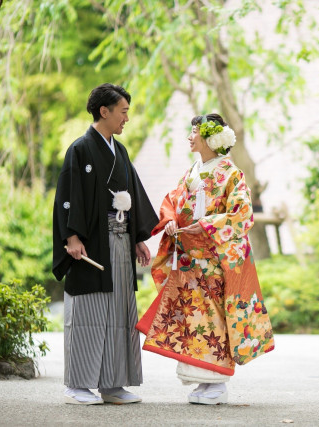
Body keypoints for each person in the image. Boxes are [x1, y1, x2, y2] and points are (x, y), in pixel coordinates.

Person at [136, 113, 275, 405]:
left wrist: (210, 224)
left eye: (195, 132)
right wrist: (171, 220)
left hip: (213, 258)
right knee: (193, 319)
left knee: (213, 320)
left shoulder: (230, 173)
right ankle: (204, 380)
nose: (190, 137)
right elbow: (172, 201)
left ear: (210, 138)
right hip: (189, 258)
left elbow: (242, 212)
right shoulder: (192, 171)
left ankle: (218, 382)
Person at [52, 83, 159, 405]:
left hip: (120, 241)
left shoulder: (120, 151)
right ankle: (77, 385)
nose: (127, 118)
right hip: (92, 243)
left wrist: (138, 238)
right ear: (105, 111)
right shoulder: (81, 148)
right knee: (88, 312)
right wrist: (71, 237)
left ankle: (113, 384)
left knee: (119, 312)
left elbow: (134, 194)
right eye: (123, 111)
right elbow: (69, 196)